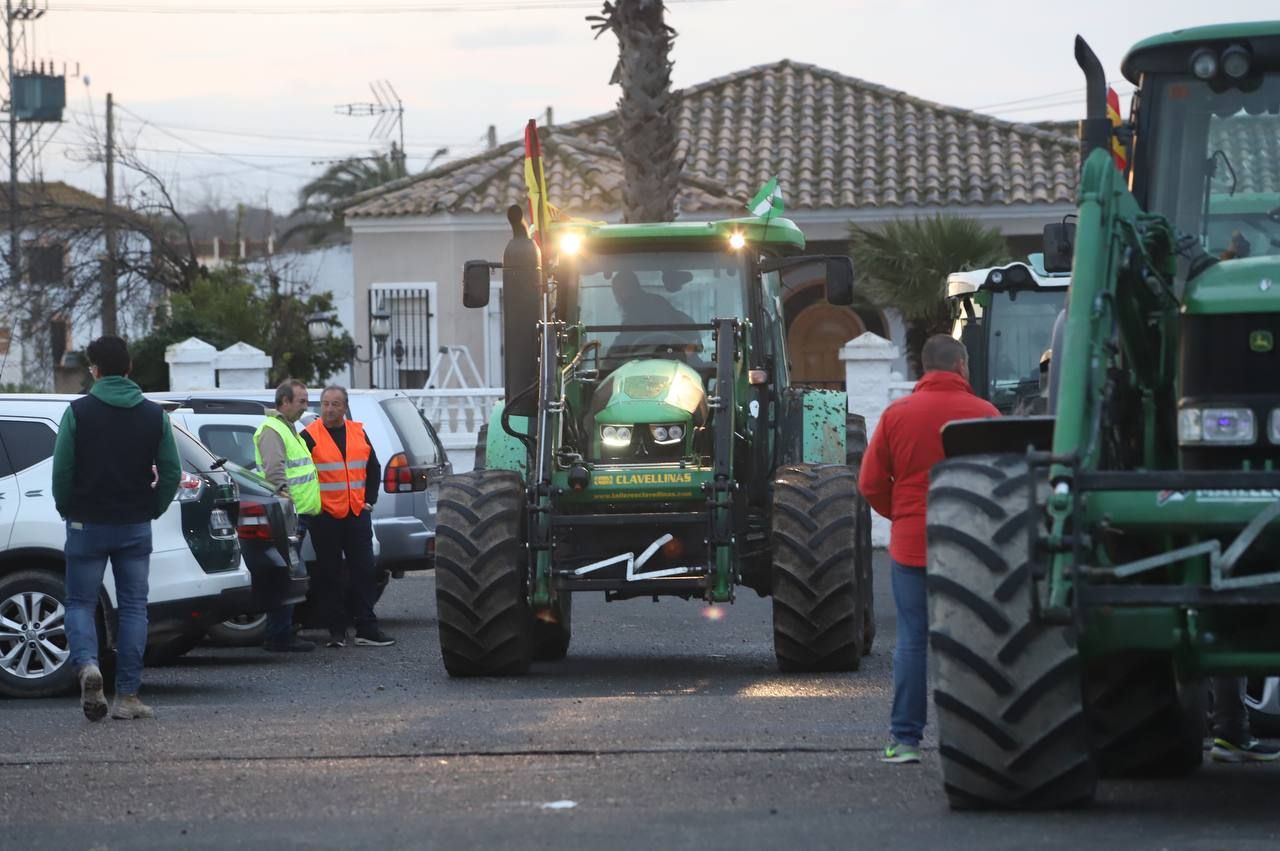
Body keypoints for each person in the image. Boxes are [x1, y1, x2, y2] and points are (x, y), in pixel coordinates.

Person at [858, 335, 1000, 764]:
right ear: (960, 366)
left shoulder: (897, 415)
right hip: (973, 547)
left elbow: (868, 484)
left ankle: (904, 740)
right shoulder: (986, 414)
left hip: (912, 545)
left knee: (913, 641)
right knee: (978, 640)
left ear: (923, 369)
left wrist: (901, 515)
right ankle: (982, 741)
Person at [51, 335, 181, 721]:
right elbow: (172, 472)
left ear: (95, 370)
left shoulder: (78, 413)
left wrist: (67, 508)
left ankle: (88, 665)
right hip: (134, 524)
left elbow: (63, 471)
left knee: (79, 602)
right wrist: (153, 508)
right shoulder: (154, 415)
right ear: (129, 369)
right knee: (134, 608)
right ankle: (127, 696)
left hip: (86, 522)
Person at [302, 386, 394, 648]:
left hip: (356, 513)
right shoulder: (309, 436)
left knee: (364, 570)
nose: (329, 409)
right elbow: (300, 475)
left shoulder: (357, 431)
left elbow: (373, 467)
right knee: (329, 574)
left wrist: (369, 501)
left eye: (335, 404)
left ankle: (367, 627)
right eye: (325, 404)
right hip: (325, 516)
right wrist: (312, 506)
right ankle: (336, 631)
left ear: (345, 408)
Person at [253, 380, 321, 653]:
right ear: (284, 402)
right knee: (290, 574)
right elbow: (275, 473)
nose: (305, 406)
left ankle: (281, 631)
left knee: (291, 572)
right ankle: (279, 634)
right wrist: (286, 503)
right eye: (301, 401)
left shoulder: (289, 428)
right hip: (289, 515)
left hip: (298, 513)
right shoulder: (273, 429)